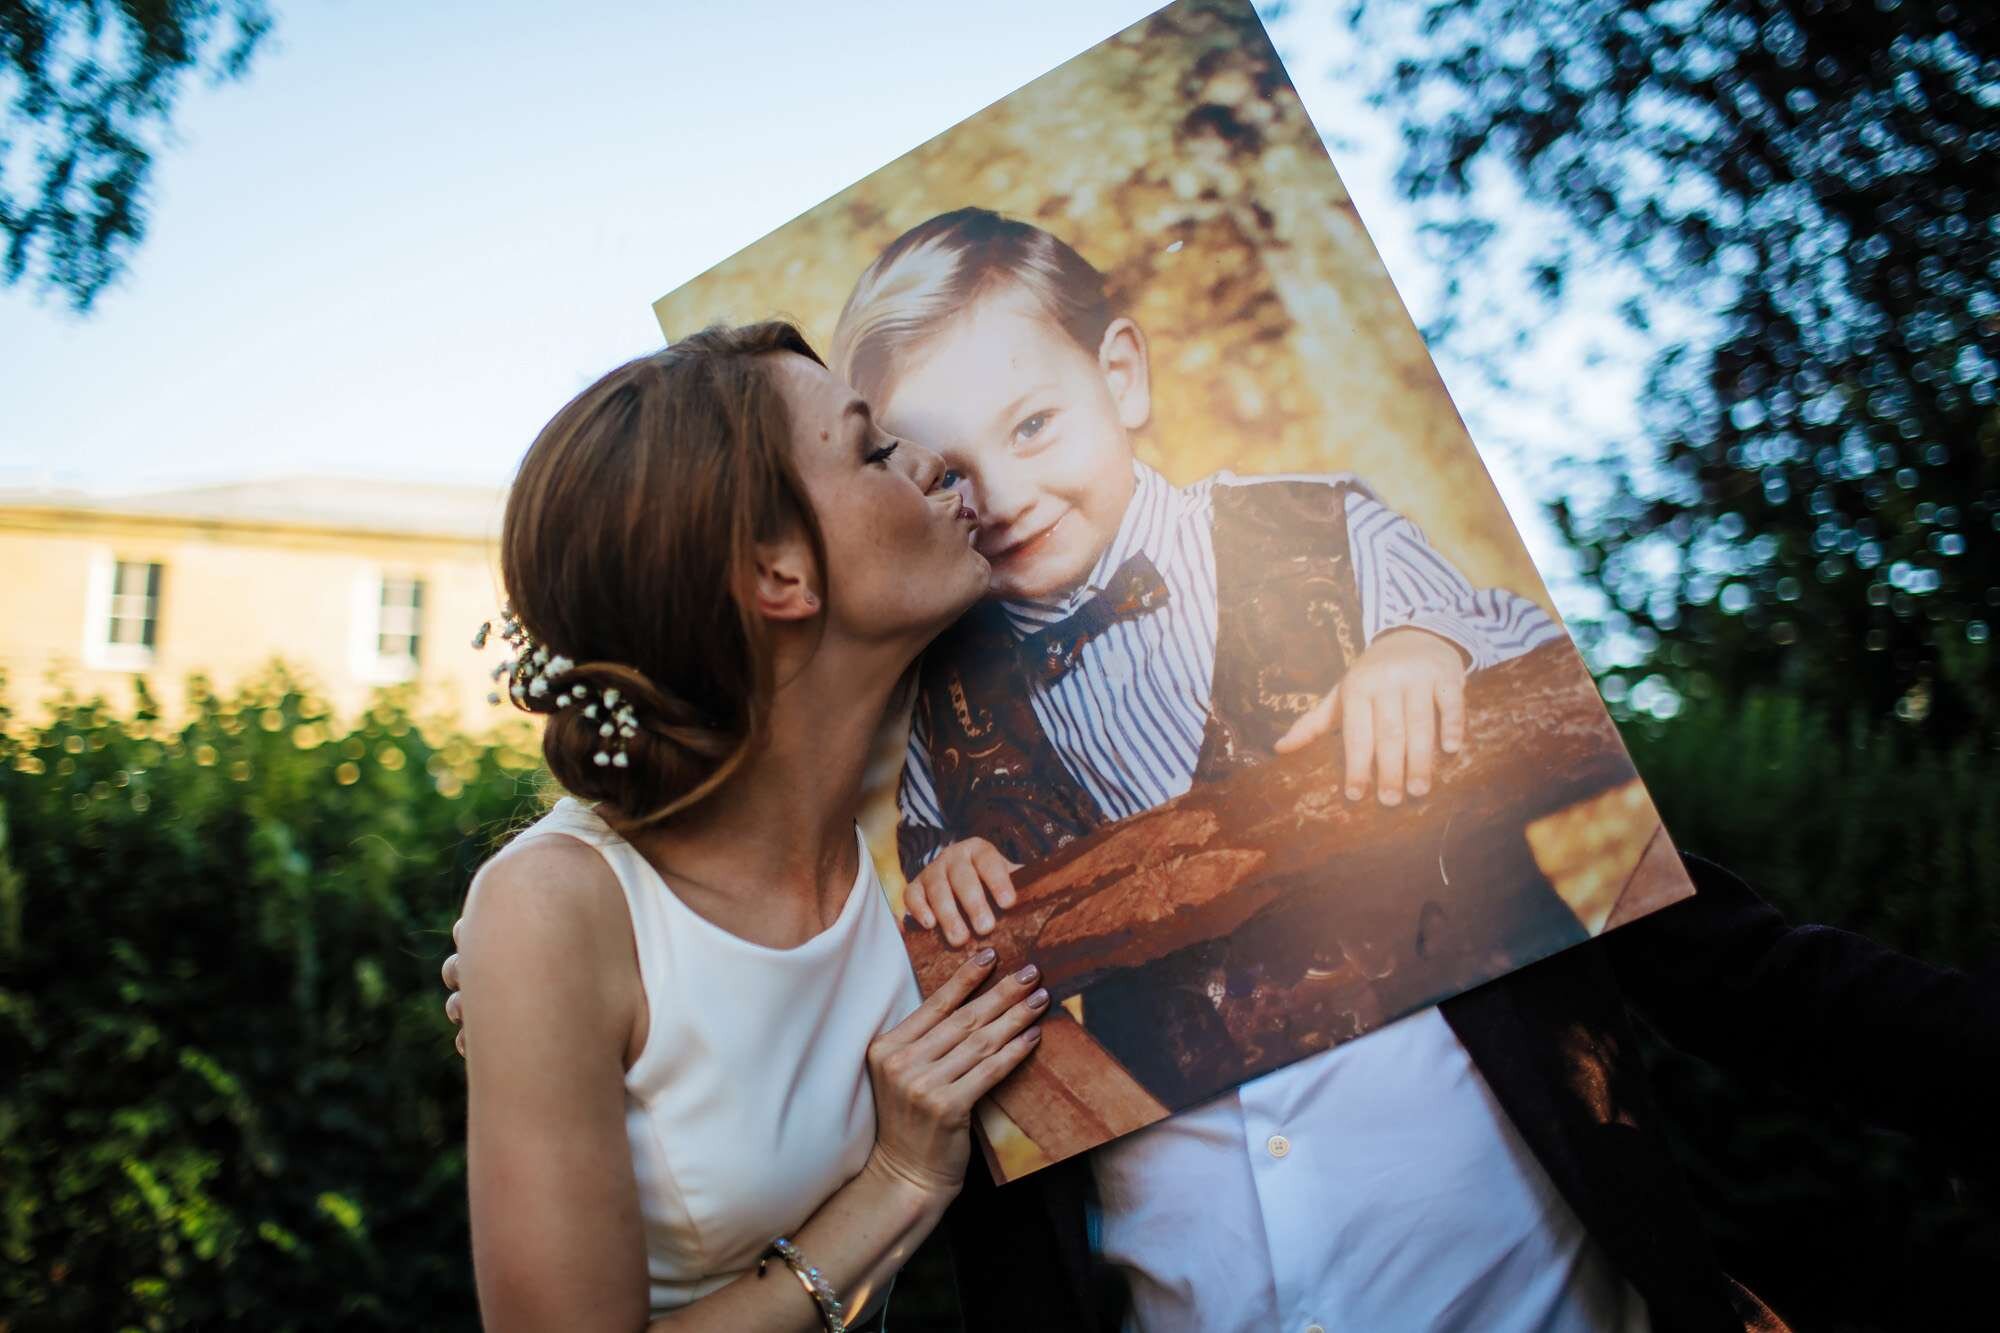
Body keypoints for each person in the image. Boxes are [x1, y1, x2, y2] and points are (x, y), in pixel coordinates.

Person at [834, 210, 1999, 1332]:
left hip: (1523, 1281)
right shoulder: (937, 712)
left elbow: (1504, 646)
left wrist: (1422, 643)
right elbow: (949, 922)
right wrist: (950, 873)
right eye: (945, 474)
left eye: (1032, 426)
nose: (1001, 496)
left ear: (1122, 377)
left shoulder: (1321, 532)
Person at [452, 321, 1051, 1332]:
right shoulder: (558, 906)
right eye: (870, 450)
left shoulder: (919, 838)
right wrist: (899, 1179)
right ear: (776, 574)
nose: (930, 458)